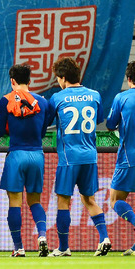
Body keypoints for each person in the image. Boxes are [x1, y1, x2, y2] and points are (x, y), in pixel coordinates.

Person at [47, 57, 110, 257]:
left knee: (63, 201)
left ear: (63, 78)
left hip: (69, 157)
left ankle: (63, 247)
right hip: (90, 156)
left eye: (58, 78)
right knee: (89, 199)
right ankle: (104, 238)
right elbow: (99, 119)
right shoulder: (95, 95)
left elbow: (46, 122)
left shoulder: (57, 98)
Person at [0, 64, 49, 257]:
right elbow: (42, 132)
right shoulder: (43, 102)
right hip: (37, 155)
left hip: (16, 154)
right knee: (35, 201)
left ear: (12, 81)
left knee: (15, 203)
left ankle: (18, 248)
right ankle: (42, 236)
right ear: (29, 80)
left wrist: (4, 126)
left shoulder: (6, 100)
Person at [106, 60, 135, 256]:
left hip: (129, 158)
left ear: (129, 79)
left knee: (115, 200)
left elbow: (110, 124)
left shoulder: (122, 98)